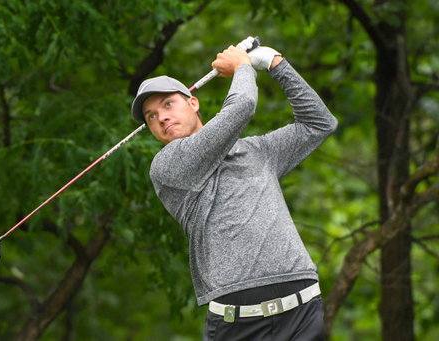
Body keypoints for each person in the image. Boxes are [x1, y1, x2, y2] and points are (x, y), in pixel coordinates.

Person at [131, 38, 338, 341]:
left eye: (167, 104)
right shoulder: (168, 167)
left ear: (193, 102)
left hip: (302, 312)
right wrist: (244, 66)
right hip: (238, 326)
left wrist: (274, 63)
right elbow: (242, 105)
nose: (161, 117)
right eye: (151, 116)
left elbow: (319, 124)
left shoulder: (258, 151)